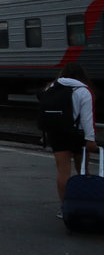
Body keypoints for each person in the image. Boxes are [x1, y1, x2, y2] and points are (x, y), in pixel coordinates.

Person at [47, 62, 98, 217]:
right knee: (83, 171)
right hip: (78, 135)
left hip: (57, 134)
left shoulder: (51, 88)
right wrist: (90, 139)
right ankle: (86, 204)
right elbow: (87, 119)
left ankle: (65, 208)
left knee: (63, 172)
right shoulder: (83, 91)